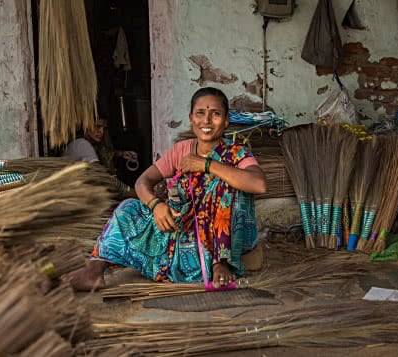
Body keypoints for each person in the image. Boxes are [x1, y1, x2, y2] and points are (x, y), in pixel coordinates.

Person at [63, 87, 267, 291]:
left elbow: (258, 184)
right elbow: (142, 182)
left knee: (226, 183)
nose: (206, 121)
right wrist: (156, 206)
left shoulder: (236, 153)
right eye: (200, 113)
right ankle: (93, 271)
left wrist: (206, 165)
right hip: (186, 232)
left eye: (215, 114)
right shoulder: (181, 150)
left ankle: (220, 264)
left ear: (226, 121)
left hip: (224, 239)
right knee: (128, 208)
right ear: (191, 119)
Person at [62, 117, 137, 174]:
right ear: (86, 126)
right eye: (97, 126)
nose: (101, 131)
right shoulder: (82, 144)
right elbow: (99, 175)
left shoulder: (85, 143)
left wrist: (122, 154)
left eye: (104, 128)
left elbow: (106, 152)